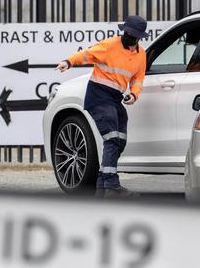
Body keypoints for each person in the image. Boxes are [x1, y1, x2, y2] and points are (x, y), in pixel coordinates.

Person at [56, 16, 148, 198]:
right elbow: (86, 54)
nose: (127, 37)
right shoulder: (110, 45)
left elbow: (138, 78)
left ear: (138, 37)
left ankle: (102, 184)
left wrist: (134, 94)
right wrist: (68, 62)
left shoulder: (141, 55)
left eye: (131, 35)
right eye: (126, 33)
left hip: (115, 98)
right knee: (112, 138)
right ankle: (112, 185)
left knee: (119, 140)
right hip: (98, 96)